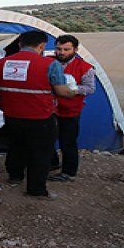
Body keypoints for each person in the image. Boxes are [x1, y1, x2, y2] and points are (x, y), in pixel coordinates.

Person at [0, 30, 75, 200]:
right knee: (41, 153)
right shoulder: (50, 65)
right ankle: (36, 189)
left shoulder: (2, 63)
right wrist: (72, 92)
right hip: (40, 117)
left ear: (19, 44)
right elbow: (62, 91)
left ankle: (15, 176)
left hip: (12, 115)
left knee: (16, 147)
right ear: (42, 46)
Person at [48, 34, 96, 182]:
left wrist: (71, 90)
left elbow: (90, 88)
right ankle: (52, 164)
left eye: (66, 49)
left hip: (70, 111)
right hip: (49, 109)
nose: (61, 52)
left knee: (67, 142)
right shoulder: (47, 62)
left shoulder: (85, 67)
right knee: (46, 139)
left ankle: (69, 172)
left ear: (75, 49)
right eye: (59, 49)